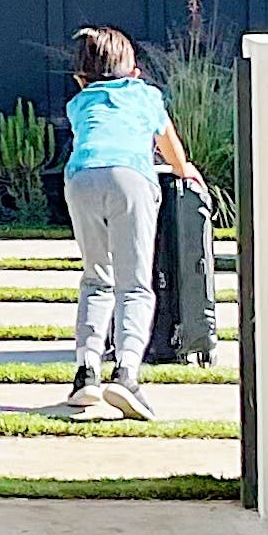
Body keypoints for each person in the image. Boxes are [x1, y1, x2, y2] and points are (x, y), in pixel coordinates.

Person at [61, 25, 203, 419]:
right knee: (135, 284)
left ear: (80, 77)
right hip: (131, 179)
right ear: (134, 70)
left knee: (96, 278)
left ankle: (86, 373)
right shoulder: (146, 96)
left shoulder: (80, 103)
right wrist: (183, 168)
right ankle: (126, 375)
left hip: (81, 178)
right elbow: (167, 143)